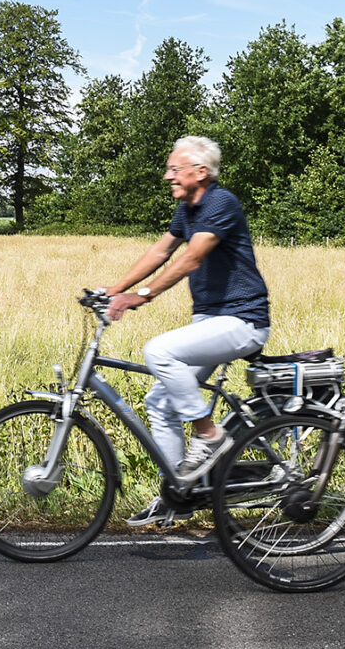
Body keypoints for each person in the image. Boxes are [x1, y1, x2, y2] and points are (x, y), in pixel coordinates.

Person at [99, 136, 271, 528]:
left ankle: (209, 434)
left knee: (159, 351)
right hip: (210, 322)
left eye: (175, 170)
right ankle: (177, 493)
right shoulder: (188, 208)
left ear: (201, 172)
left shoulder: (220, 203)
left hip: (243, 322)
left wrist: (140, 296)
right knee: (161, 402)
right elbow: (161, 251)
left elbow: (192, 258)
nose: (167, 176)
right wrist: (115, 289)